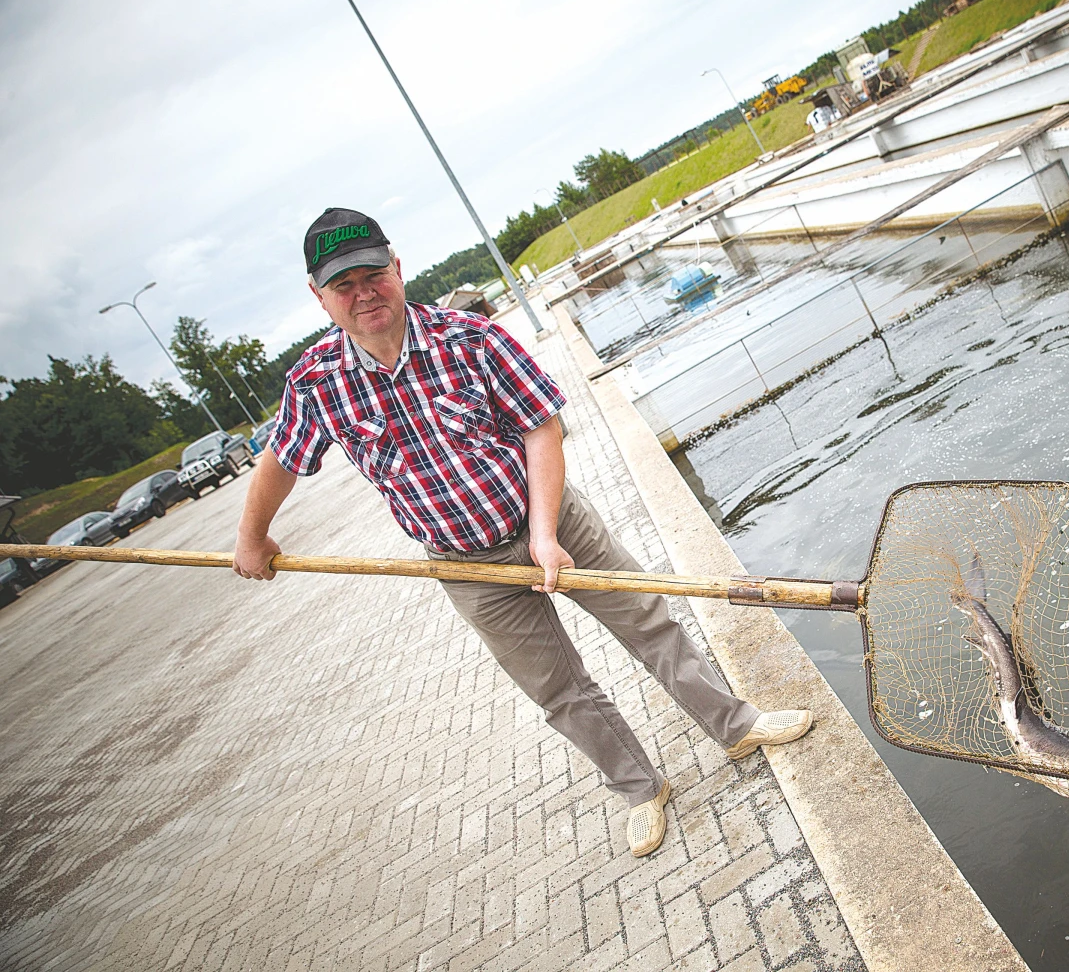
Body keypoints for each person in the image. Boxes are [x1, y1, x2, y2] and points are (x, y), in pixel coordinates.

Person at [233, 208, 812, 857]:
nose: (365, 293)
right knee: (558, 690)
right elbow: (280, 461)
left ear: (398, 270)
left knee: (650, 624)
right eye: (345, 286)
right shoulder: (316, 384)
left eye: (374, 275)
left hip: (552, 518)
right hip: (464, 565)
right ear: (320, 298)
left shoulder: (471, 337)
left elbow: (542, 428)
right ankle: (641, 788)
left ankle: (735, 726)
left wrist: (544, 533)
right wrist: (252, 539)